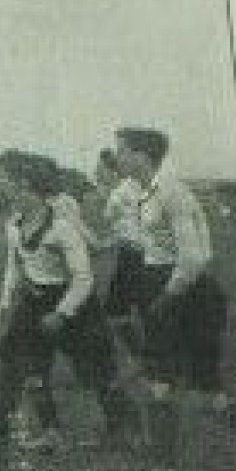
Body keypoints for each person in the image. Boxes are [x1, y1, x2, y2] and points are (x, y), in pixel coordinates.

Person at [0, 150, 136, 451]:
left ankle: (125, 430)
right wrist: (5, 298)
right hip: (34, 302)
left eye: (6, 182)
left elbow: (83, 278)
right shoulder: (13, 224)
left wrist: (62, 313)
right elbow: (14, 263)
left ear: (27, 186)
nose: (1, 187)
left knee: (94, 370)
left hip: (73, 305)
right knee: (27, 366)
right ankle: (48, 431)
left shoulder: (61, 227)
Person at [111, 127, 236, 471]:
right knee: (183, 383)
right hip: (173, 286)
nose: (116, 157)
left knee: (159, 383)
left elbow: (193, 258)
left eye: (122, 151)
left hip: (185, 291)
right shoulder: (146, 192)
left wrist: (166, 298)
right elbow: (152, 244)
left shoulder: (171, 192)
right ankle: (230, 415)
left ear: (142, 155)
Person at [93, 148, 150, 378]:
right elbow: (123, 230)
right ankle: (142, 360)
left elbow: (131, 227)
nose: (96, 173)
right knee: (120, 312)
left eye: (99, 169)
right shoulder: (123, 190)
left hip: (139, 258)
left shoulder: (121, 193)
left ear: (112, 171)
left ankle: (146, 362)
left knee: (123, 313)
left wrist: (100, 245)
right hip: (131, 256)